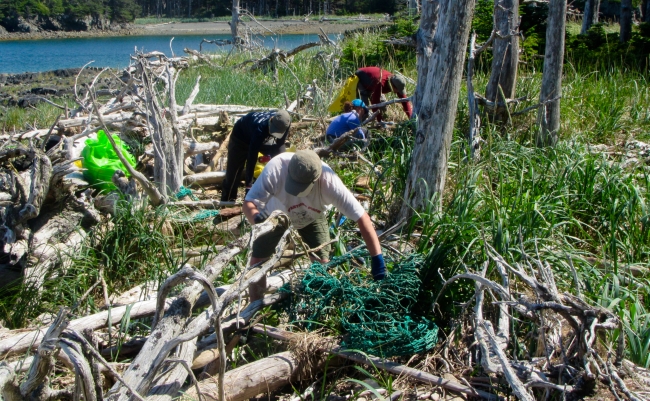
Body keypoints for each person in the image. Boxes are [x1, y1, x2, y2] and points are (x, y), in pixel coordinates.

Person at [243, 149, 387, 301]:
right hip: (274, 215)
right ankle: (254, 309)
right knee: (257, 263)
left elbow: (362, 217)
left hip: (310, 217)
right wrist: (258, 219)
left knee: (322, 263)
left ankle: (316, 302)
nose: (296, 193)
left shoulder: (330, 182)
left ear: (316, 179)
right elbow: (248, 203)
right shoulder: (276, 168)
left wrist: (378, 260)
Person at [220, 110, 291, 202]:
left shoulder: (285, 123)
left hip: (262, 137)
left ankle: (277, 195)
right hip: (240, 137)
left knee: (280, 161)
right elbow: (251, 158)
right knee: (234, 172)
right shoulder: (260, 127)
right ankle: (227, 202)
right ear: (271, 120)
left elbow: (280, 145)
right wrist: (248, 186)